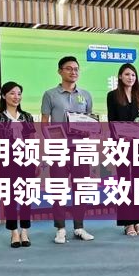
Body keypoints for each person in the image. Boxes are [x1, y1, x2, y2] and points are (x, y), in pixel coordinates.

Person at [41, 56, 94, 244]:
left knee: (81, 189)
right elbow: (44, 122)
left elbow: (89, 120)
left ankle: (79, 227)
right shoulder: (50, 94)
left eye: (76, 69)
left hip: (81, 149)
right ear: (60, 71)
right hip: (59, 149)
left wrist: (91, 129)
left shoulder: (86, 95)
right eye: (69, 68)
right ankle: (60, 229)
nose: (73, 72)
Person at [107, 63, 139, 236]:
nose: (130, 77)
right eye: (127, 74)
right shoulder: (112, 96)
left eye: (133, 75)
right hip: (121, 145)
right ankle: (127, 223)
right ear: (120, 76)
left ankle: (138, 220)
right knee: (124, 182)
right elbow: (112, 121)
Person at [0, 81, 36, 248]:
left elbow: (32, 141)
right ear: (3, 96)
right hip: (6, 162)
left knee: (26, 197)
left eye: (19, 93)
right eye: (12, 93)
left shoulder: (27, 117)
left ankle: (24, 231)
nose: (16, 97)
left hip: (26, 161)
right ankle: (14, 232)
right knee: (9, 198)